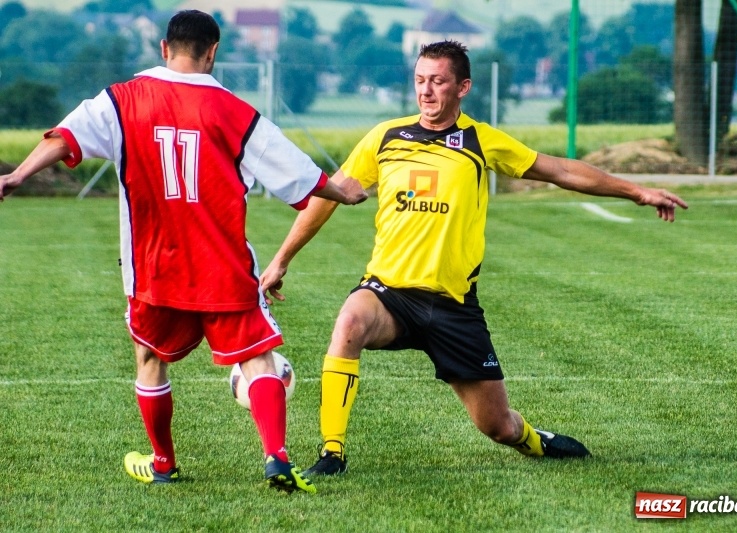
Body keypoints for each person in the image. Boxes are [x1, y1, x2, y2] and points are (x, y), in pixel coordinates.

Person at [259, 40, 688, 477]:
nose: (426, 91)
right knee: (349, 321)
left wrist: (636, 191)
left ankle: (534, 439)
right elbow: (327, 197)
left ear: (463, 86)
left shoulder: (481, 141)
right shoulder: (385, 137)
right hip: (389, 294)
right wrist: (281, 260)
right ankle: (332, 454)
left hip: (453, 307)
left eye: (438, 81)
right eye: (420, 80)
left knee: (498, 426)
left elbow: (559, 170)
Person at [0, 10, 367, 494]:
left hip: (154, 268)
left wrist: (17, 176)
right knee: (258, 357)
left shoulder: (122, 99)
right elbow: (298, 172)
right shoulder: (235, 111)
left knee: (150, 358)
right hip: (221, 264)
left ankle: (164, 464)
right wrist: (344, 193)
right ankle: (276, 458)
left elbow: (64, 137)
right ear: (213, 52)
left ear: (162, 47)